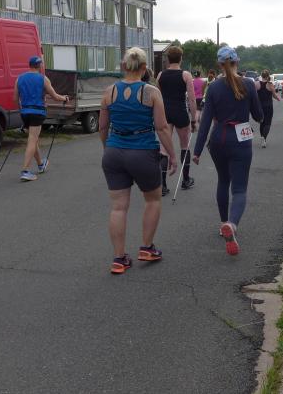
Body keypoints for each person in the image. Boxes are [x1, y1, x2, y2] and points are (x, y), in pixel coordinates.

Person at [99, 47, 177, 274]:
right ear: (144, 68)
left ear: (124, 66)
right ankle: (146, 247)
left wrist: (107, 147)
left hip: (114, 151)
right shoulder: (151, 92)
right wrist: (172, 155)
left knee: (118, 207)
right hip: (142, 151)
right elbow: (162, 127)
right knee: (152, 200)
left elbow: (103, 127)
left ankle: (119, 259)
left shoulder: (109, 92)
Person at [193, 46, 263, 256]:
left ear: (219, 64)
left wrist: (197, 151)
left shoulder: (213, 87)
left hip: (219, 138)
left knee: (223, 181)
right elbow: (258, 115)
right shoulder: (248, 84)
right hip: (241, 138)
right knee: (239, 189)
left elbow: (205, 122)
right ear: (236, 62)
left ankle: (223, 222)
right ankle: (232, 224)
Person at [13, 56, 69, 181]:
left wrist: (21, 110)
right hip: (37, 112)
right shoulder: (43, 79)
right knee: (32, 139)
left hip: (25, 112)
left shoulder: (19, 78)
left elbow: (15, 99)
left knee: (34, 140)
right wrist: (64, 98)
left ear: (30, 65)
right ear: (39, 65)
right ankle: (25, 171)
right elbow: (54, 96)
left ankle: (40, 164)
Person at [156, 46, 197, 194]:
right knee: (184, 146)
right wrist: (194, 119)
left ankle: (162, 185)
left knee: (163, 148)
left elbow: (157, 97)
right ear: (181, 58)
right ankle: (185, 180)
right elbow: (192, 99)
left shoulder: (160, 75)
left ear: (168, 59)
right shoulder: (185, 75)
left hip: (165, 113)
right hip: (180, 112)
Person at [256, 70, 281, 148]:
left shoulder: (256, 84)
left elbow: (254, 95)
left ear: (261, 76)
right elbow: (274, 95)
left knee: (262, 122)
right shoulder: (270, 85)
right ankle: (264, 138)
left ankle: (262, 137)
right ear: (267, 76)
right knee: (268, 123)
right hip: (268, 106)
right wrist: (278, 98)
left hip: (260, 106)